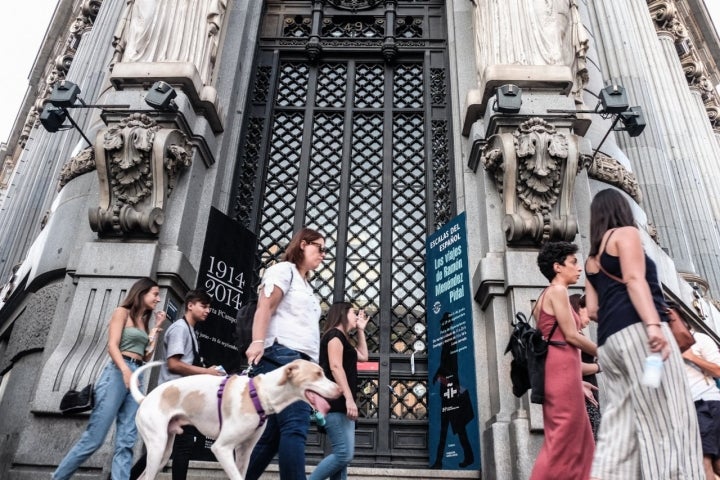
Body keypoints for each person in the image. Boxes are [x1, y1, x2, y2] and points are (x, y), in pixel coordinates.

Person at [584, 188, 704, 479]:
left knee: (620, 427)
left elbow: (592, 311)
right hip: (642, 336)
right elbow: (635, 280)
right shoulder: (626, 234)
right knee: (668, 414)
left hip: (610, 346)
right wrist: (652, 324)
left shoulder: (590, 260)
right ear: (621, 210)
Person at [53, 277, 167, 480]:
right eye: (155, 294)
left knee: (126, 441)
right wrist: (125, 370)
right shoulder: (121, 313)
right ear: (141, 293)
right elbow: (112, 346)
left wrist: (156, 328)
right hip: (117, 372)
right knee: (94, 439)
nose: (158, 299)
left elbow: (147, 354)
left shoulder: (144, 321)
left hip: (135, 375)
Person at [244, 227, 327, 480]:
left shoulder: (307, 285)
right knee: (295, 426)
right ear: (303, 244)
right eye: (319, 248)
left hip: (300, 361)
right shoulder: (283, 271)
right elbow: (265, 307)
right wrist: (257, 341)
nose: (323, 254)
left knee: (272, 437)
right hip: (282, 356)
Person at [529, 241, 597, 480]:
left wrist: (577, 381)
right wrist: (605, 353)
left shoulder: (546, 294)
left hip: (561, 370)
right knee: (561, 440)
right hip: (560, 369)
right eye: (573, 262)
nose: (579, 269)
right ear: (558, 267)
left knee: (580, 438)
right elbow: (570, 336)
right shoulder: (557, 291)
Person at [154, 289, 225, 480]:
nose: (208, 310)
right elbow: (174, 364)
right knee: (181, 446)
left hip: (181, 398)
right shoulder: (180, 328)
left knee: (165, 449)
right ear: (190, 305)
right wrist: (206, 372)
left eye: (209, 306)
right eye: (204, 306)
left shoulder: (190, 330)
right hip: (174, 397)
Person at [308, 301, 368, 480]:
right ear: (342, 314)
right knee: (344, 454)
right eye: (353, 312)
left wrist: (361, 330)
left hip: (342, 403)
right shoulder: (334, 335)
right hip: (335, 402)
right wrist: (349, 399)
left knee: (342, 460)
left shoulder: (344, 339)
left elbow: (364, 357)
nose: (356, 316)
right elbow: (335, 367)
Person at [676, 304, 720, 480]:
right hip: (683, 411)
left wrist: (692, 357)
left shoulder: (700, 340)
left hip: (707, 404)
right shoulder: (658, 348)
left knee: (703, 463)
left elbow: (718, 370)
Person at [430, 311, 475, 469]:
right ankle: (440, 461)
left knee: (454, 427)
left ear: (447, 324)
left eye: (444, 323)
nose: (442, 325)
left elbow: (449, 365)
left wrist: (439, 376)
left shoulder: (450, 340)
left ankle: (441, 461)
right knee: (450, 427)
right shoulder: (447, 339)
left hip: (450, 389)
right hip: (447, 388)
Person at [569, 293, 602, 440]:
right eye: (585, 308)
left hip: (587, 395)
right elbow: (575, 366)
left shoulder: (577, 334)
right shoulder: (573, 335)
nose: (589, 316)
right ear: (577, 309)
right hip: (582, 397)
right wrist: (599, 367)